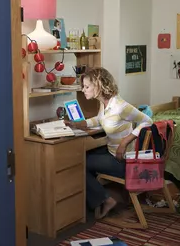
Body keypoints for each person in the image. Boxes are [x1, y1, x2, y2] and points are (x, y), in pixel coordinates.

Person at [64, 67, 153, 219]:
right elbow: (100, 120)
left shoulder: (120, 106)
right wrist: (78, 124)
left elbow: (148, 121)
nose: (83, 90)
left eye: (86, 87)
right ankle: (94, 201)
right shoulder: (104, 104)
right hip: (112, 153)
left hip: (123, 161)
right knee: (86, 156)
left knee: (79, 162)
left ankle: (106, 199)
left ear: (98, 85)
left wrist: (125, 141)